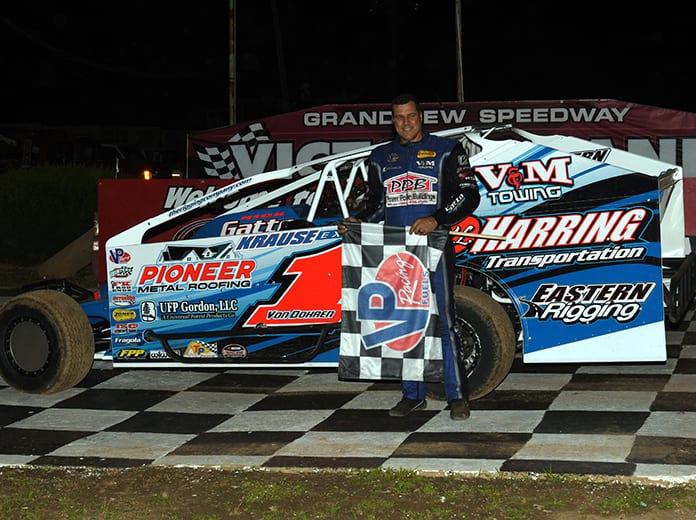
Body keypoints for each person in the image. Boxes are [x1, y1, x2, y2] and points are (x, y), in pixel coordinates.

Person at [338, 93, 480, 420]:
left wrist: (437, 218)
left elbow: (468, 194)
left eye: (411, 116)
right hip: (396, 254)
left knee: (443, 320)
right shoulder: (380, 157)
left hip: (434, 248)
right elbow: (376, 205)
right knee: (404, 323)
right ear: (393, 120)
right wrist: (358, 222)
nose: (405, 123)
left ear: (421, 116)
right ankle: (411, 394)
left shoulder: (447, 150)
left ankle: (457, 396)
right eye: (399, 118)